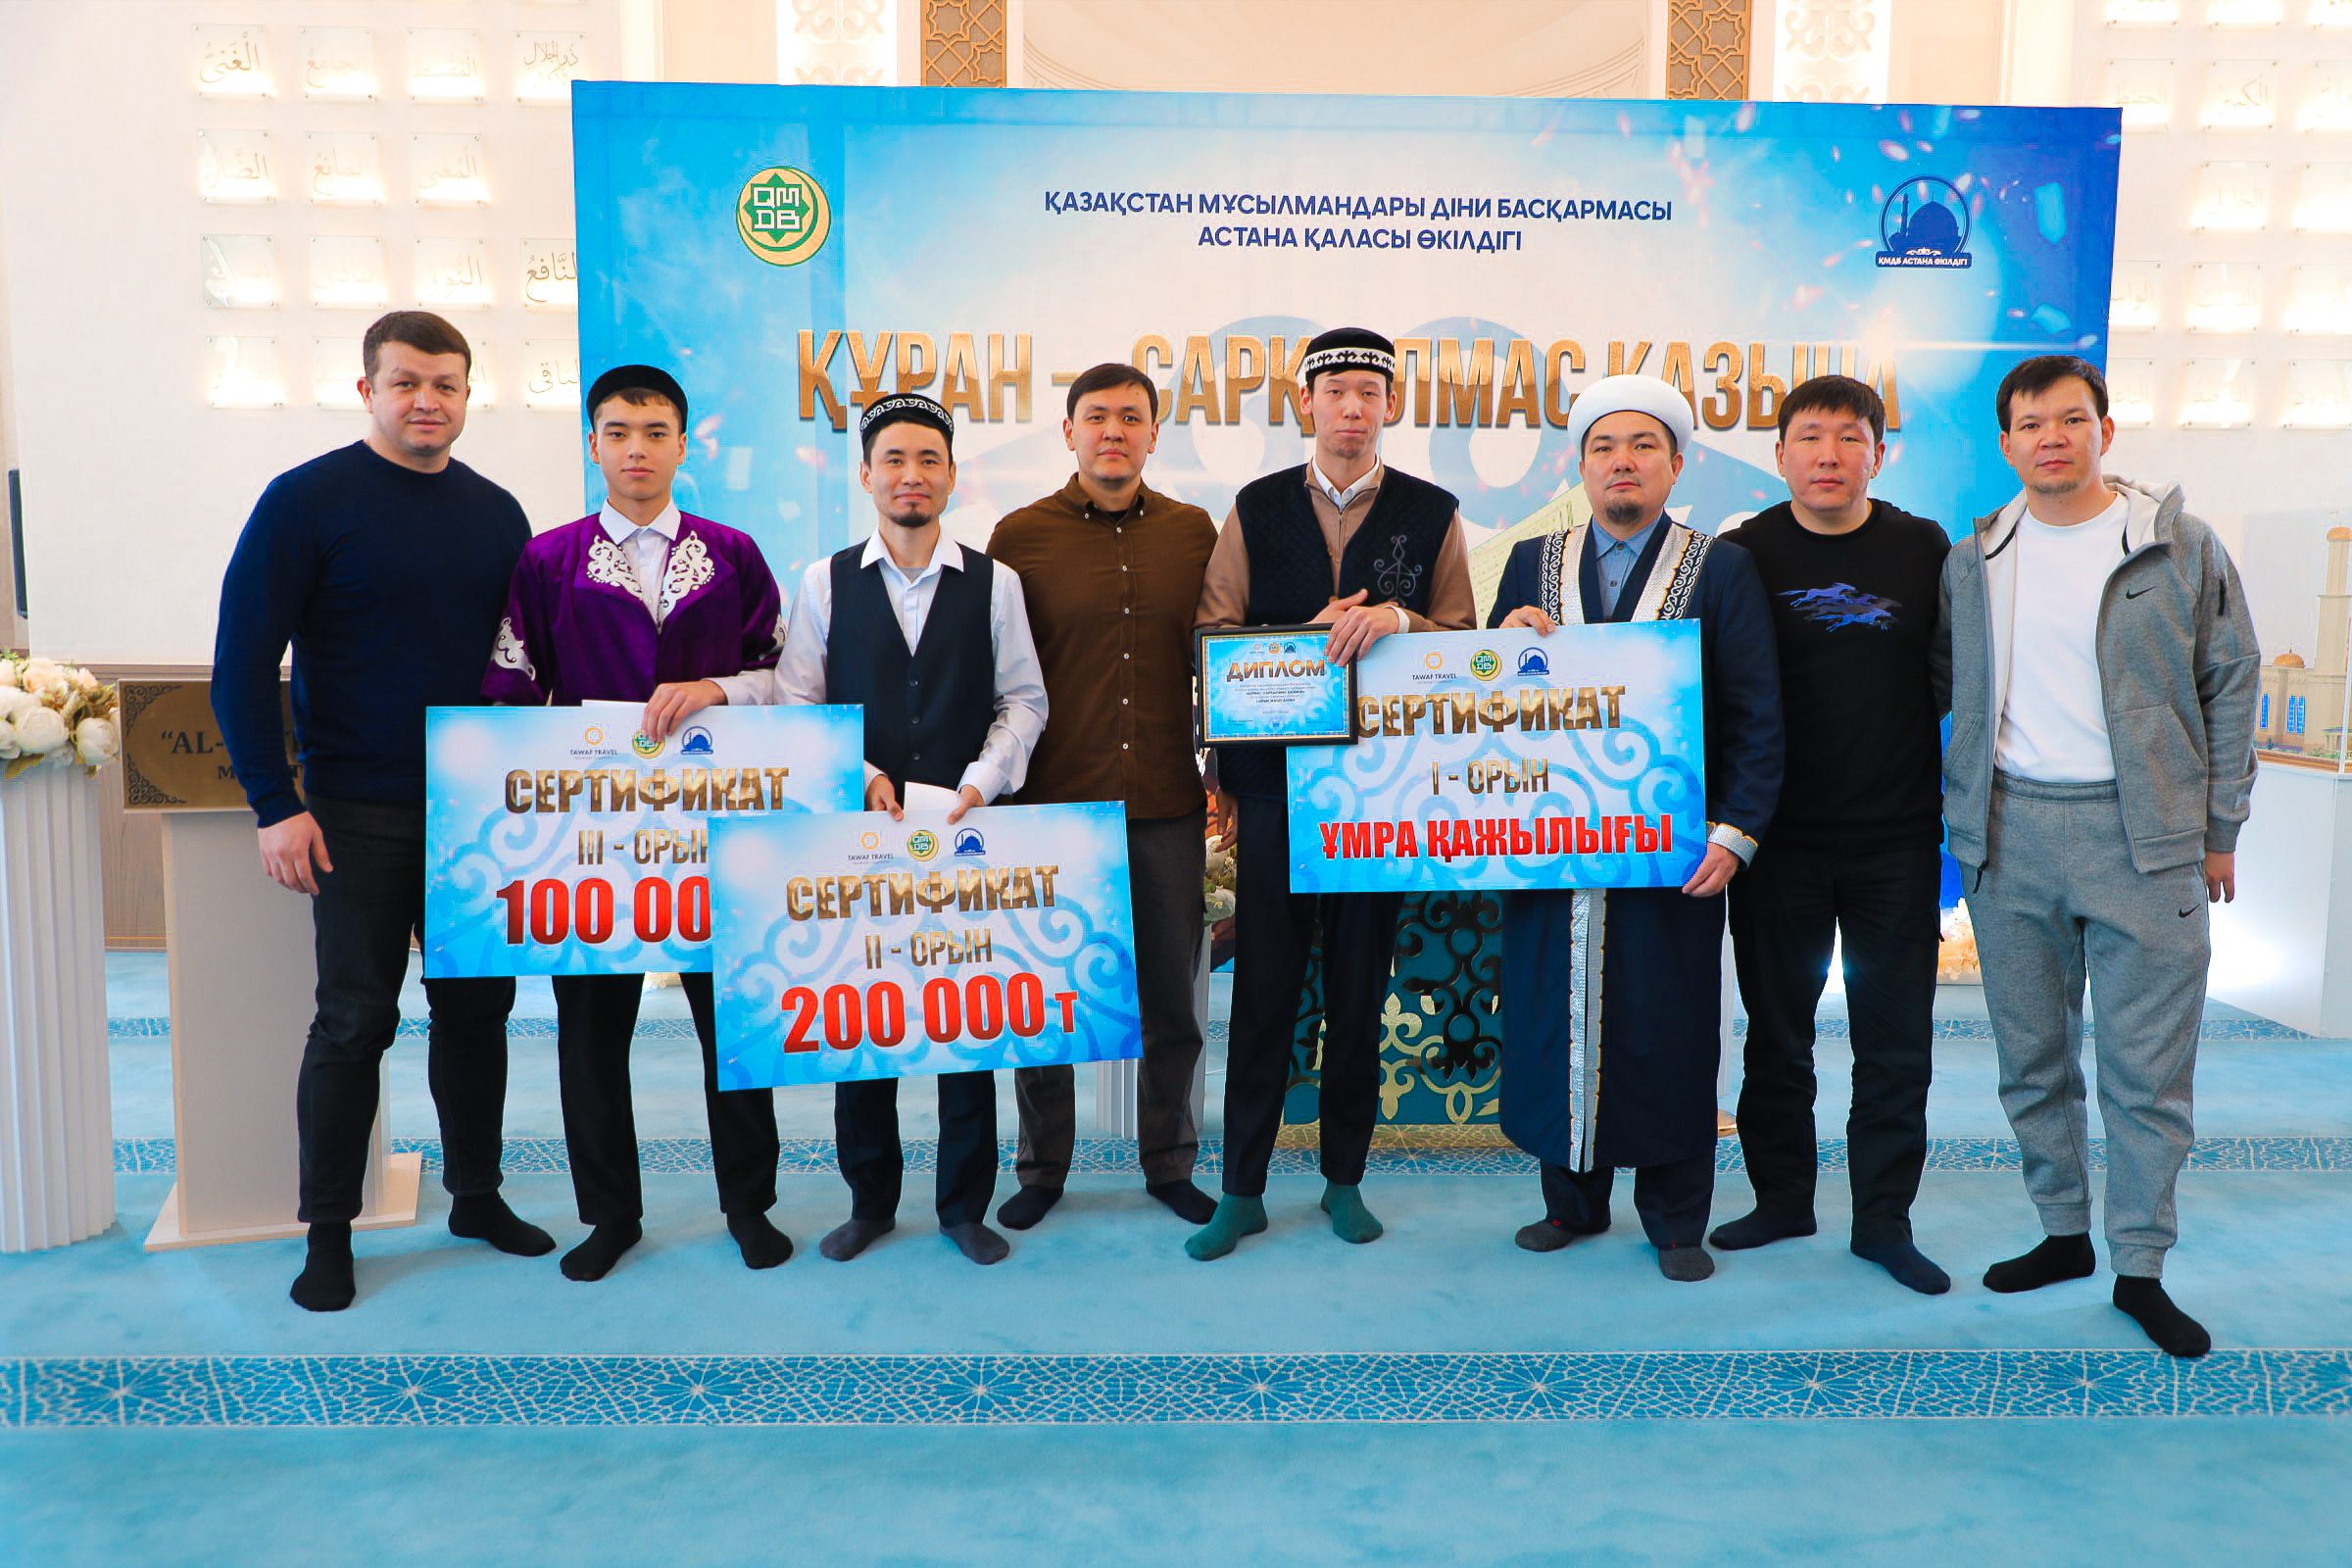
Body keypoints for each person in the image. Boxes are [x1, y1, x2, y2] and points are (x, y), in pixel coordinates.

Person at [648, 391, 1047, 1266]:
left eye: (929, 460)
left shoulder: (997, 583)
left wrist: (981, 782)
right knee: (862, 1019)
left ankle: (962, 1207)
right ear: (866, 476)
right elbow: (799, 703)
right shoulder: (824, 581)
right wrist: (859, 774)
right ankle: (871, 1201)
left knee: (967, 1021)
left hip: (964, 834)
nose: (912, 475)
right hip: (855, 835)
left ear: (951, 476)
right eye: (894, 460)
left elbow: (1023, 699)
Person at [212, 311, 552, 1312]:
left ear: (467, 394)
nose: (426, 401)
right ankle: (329, 1232)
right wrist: (276, 804)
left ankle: (476, 1195)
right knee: (355, 1021)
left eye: (445, 384)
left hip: (477, 815)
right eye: (406, 382)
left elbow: (525, 665)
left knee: (477, 1014)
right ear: (367, 390)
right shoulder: (305, 501)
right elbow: (242, 663)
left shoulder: (498, 513)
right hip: (353, 810)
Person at [1942, 354, 2257, 1358]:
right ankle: (2062, 1233)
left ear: (2104, 432)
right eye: (2031, 424)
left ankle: (2142, 1268)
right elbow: (1948, 684)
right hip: (2011, 840)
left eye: (2071, 419)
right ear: (2006, 443)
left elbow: (2232, 679)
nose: (2052, 438)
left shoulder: (2177, 544)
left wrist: (2220, 829)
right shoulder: (1975, 556)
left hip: (2146, 841)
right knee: (2032, 1061)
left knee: (2146, 1075)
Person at [480, 364, 791, 1282]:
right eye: (617, 432)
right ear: (592, 444)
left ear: (683, 445)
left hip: (714, 832)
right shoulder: (548, 560)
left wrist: (717, 688)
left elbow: (785, 677)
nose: (637, 450)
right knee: (590, 1032)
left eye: (655, 433)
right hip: (591, 842)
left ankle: (750, 1205)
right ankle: (610, 1214)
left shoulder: (732, 555)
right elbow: (510, 691)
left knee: (730, 1023)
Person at [1188, 326, 1476, 1261]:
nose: (1353, 408)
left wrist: (1400, 619)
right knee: (1264, 994)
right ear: (1305, 402)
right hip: (1277, 788)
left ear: (1391, 405)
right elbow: (1214, 637)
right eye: (1336, 391)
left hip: (1382, 795)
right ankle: (1241, 1190)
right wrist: (1298, 643)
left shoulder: (1432, 512)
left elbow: (1465, 641)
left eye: (1369, 392)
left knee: (1357, 994)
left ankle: (1344, 1180)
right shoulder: (1257, 506)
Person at [1488, 373, 1783, 1283]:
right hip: (1548, 847)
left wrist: (1736, 833)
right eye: (1605, 447)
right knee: (1555, 1019)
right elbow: (1483, 700)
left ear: (1676, 464)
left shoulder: (1721, 567)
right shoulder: (1530, 563)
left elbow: (1755, 709)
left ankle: (1675, 1219)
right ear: (1580, 466)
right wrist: (1501, 643)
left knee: (1667, 1027)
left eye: (1644, 445)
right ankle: (1570, 1205)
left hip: (1671, 849)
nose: (1624, 462)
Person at [1712, 374, 1954, 1295]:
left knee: (1896, 1044)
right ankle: (1782, 1199)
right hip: (1777, 842)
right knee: (1777, 1037)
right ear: (1779, 455)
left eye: (1850, 438)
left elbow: (1955, 675)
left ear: (1878, 455)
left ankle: (1884, 1221)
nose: (1828, 455)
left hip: (1896, 840)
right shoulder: (1741, 554)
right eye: (1809, 437)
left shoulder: (1922, 548)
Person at [986, 364, 1220, 1230]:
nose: (1113, 431)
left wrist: (1224, 773)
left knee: (1172, 1003)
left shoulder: (1194, 533)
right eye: (1096, 416)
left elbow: (1222, 658)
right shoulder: (1019, 536)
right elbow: (993, 672)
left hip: (1163, 801)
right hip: (1050, 807)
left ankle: (1169, 1162)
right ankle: (1042, 1169)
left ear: (1154, 434)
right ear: (1069, 432)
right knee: (1045, 1000)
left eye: (1130, 416)